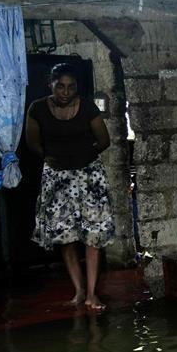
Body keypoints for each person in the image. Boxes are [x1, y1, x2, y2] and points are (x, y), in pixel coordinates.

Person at [24, 63, 115, 311]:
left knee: (93, 235)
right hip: (57, 176)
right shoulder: (38, 108)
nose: (65, 91)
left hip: (89, 177)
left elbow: (104, 140)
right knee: (66, 236)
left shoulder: (87, 107)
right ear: (50, 84)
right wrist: (54, 157)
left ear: (77, 88)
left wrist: (83, 156)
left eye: (71, 87)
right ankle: (79, 291)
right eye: (60, 86)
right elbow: (32, 142)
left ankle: (92, 294)